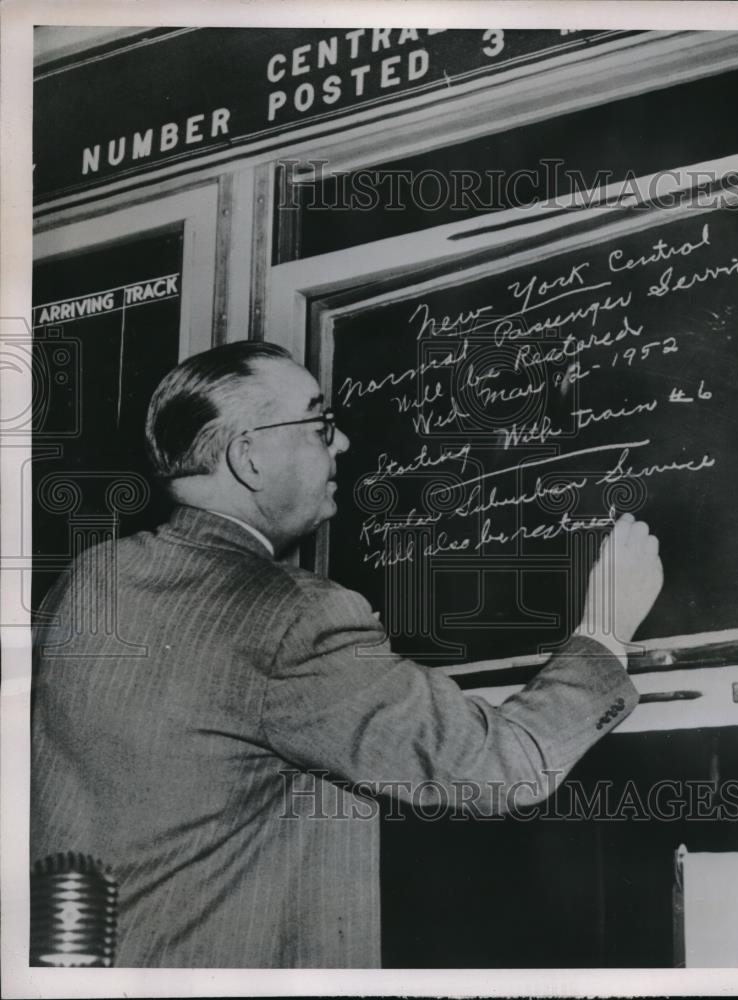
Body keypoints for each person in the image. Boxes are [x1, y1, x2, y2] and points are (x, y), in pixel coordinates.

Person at [30, 341, 663, 968]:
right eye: (319, 423)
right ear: (248, 457)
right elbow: (504, 768)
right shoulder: (294, 616)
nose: (342, 444)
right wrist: (604, 633)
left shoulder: (89, 579)